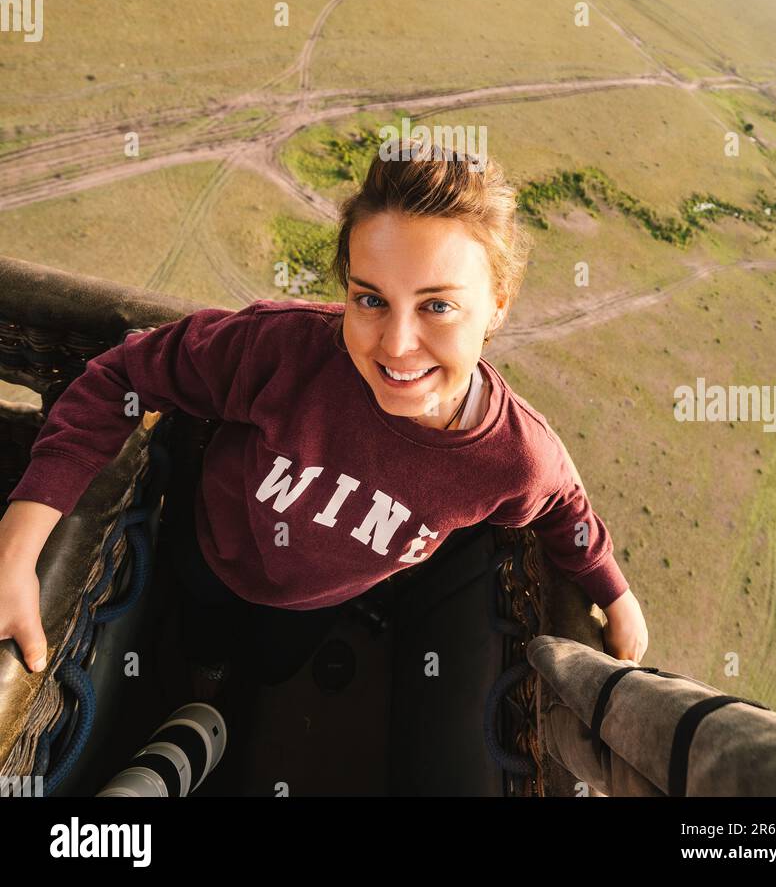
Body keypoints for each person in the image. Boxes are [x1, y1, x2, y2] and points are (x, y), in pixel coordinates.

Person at [0, 137, 648, 705]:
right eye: (370, 299)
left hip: (313, 605)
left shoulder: (511, 457)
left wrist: (612, 593)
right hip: (207, 548)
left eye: (438, 307)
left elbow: (563, 506)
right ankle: (200, 685)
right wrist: (19, 546)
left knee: (271, 665)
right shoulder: (283, 350)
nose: (396, 344)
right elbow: (123, 375)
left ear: (498, 305)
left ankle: (232, 701)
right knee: (195, 635)